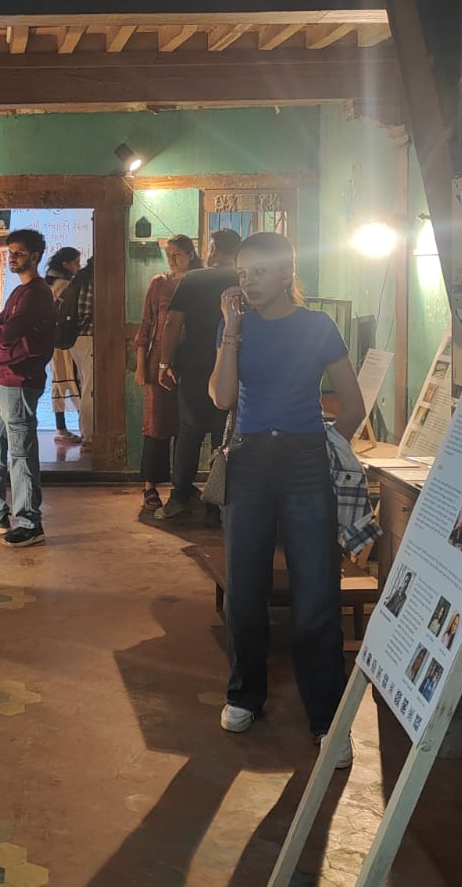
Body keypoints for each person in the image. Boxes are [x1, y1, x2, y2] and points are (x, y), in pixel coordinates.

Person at [209, 232, 365, 767]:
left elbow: (353, 403)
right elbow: (222, 397)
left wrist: (327, 445)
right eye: (242, 273)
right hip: (249, 459)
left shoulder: (317, 326)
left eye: (258, 272)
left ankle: (327, 720)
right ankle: (244, 695)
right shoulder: (237, 326)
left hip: (304, 461)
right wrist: (231, 332)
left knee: (317, 592)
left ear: (285, 274)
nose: (247, 281)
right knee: (244, 586)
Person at [0, 228, 56, 548]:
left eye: (19, 253)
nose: (12, 258)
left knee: (20, 453)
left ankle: (30, 522)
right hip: (3, 380)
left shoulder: (37, 294)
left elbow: (2, 336)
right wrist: (0, 329)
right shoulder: (19, 292)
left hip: (21, 381)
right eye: (10, 252)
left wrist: (0, 330)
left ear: (35, 256)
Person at [157, 229, 242, 522]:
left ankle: (180, 497)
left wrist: (164, 363)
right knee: (224, 433)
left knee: (189, 432)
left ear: (213, 249)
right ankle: (216, 506)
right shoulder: (243, 280)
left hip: (195, 366)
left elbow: (173, 322)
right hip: (233, 366)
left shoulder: (194, 279)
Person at [134, 235, 200, 513]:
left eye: (178, 255)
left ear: (190, 255)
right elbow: (146, 323)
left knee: (188, 426)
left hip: (191, 362)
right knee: (156, 425)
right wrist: (141, 364)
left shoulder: (199, 282)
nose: (172, 260)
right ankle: (150, 485)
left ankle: (182, 485)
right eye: (169, 255)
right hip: (158, 361)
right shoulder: (159, 283)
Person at [58, 255, 95, 445]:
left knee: (85, 385)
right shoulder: (92, 282)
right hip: (89, 337)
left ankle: (87, 433)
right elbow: (85, 311)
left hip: (77, 340)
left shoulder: (79, 279)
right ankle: (89, 436)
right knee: (90, 388)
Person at [45, 247, 82, 440]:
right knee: (74, 379)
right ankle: (83, 428)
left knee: (59, 380)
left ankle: (61, 427)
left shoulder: (49, 283)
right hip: (66, 340)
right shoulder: (64, 285)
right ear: (65, 264)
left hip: (53, 340)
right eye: (76, 263)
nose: (78, 267)